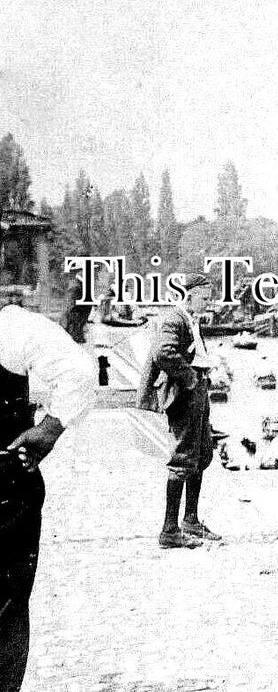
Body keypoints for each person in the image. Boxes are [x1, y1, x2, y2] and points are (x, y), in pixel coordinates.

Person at [0, 294, 96, 692]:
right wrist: (49, 431)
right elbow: (79, 373)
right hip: (4, 481)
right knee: (5, 607)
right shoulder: (10, 325)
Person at [137, 273, 223, 549]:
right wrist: (190, 377)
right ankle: (170, 530)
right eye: (205, 297)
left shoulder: (190, 320)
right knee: (183, 458)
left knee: (201, 454)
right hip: (184, 394)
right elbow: (164, 353)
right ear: (190, 295)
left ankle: (191, 520)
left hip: (197, 391)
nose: (209, 302)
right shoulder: (174, 319)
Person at [58, 270, 93, 345]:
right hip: (73, 328)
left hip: (76, 328)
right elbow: (69, 308)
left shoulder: (81, 285)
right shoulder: (76, 287)